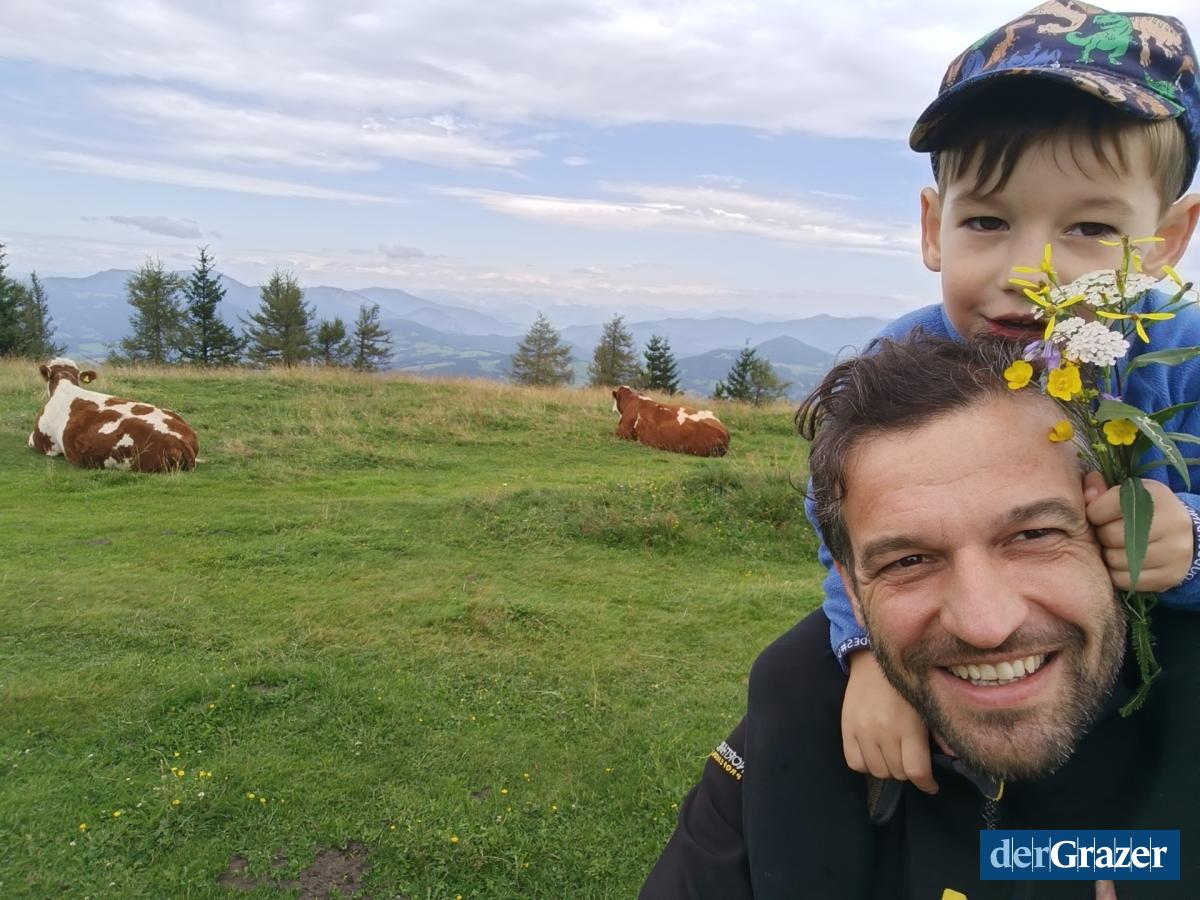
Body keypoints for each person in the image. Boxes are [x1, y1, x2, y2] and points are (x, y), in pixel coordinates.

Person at [640, 334, 1200, 899]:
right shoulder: (797, 717)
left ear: (1113, 525)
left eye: (1033, 535)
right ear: (852, 592)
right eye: (908, 561)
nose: (985, 624)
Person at [824, 1, 1200, 800]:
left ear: (1165, 242)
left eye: (1091, 229)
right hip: (991, 676)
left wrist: (1191, 544)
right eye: (988, 221)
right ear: (934, 228)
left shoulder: (1184, 360)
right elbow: (846, 526)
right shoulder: (906, 363)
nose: (1031, 274)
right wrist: (867, 654)